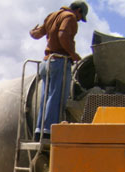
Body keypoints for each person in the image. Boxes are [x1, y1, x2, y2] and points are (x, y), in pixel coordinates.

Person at [30, 1, 88, 141]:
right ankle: (49, 130)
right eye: (81, 16)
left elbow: (36, 34)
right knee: (57, 97)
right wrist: (73, 54)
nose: (79, 19)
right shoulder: (69, 17)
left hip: (47, 62)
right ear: (78, 10)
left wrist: (32, 31)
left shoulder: (52, 15)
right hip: (60, 61)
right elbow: (63, 36)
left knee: (45, 97)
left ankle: (39, 130)